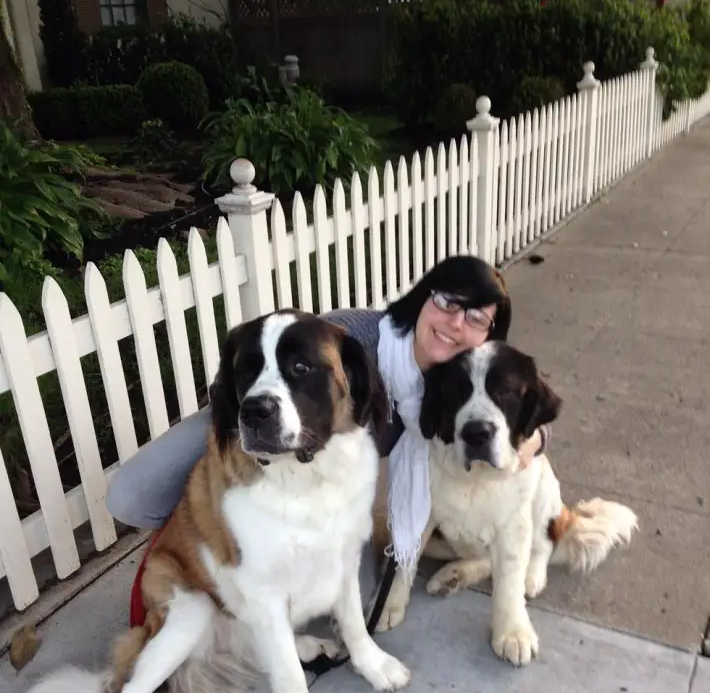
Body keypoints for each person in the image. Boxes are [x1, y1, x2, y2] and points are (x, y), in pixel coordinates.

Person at [107, 255, 548, 622]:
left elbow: (516, 401)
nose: (456, 323)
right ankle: (205, 550)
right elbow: (267, 362)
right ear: (423, 297)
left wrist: (533, 438)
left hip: (315, 485)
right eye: (448, 302)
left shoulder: (459, 377)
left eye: (477, 318)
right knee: (133, 496)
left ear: (488, 338)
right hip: (254, 427)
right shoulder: (353, 335)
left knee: (355, 599)